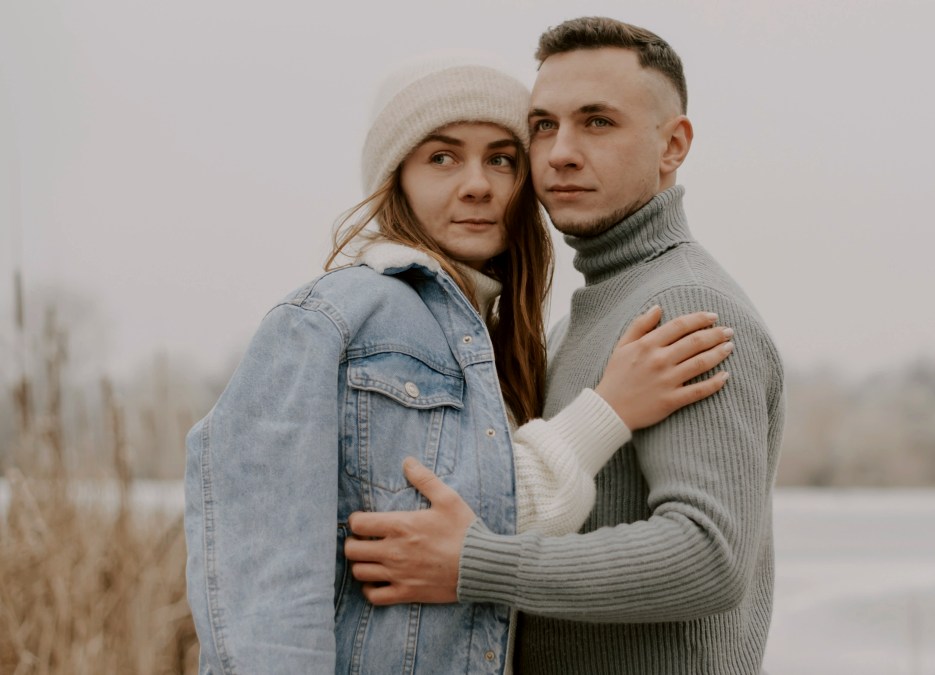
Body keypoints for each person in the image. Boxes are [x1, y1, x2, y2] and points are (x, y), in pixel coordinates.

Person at [182, 55, 734, 675]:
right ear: (397, 178)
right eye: (442, 157)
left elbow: (460, 533)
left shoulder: (483, 337)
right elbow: (265, 586)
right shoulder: (334, 318)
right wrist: (605, 412)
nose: (477, 184)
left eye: (501, 158)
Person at [343, 16, 786, 675]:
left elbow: (708, 555)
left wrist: (473, 563)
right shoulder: (587, 314)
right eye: (544, 125)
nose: (559, 153)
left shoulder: (688, 306)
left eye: (597, 122)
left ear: (674, 144)